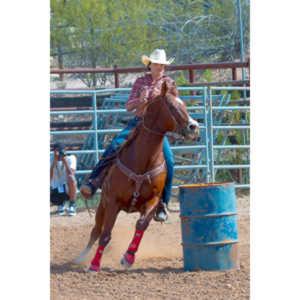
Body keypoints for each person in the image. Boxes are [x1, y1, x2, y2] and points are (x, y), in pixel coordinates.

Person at [80, 49, 178, 222]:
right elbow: (129, 107)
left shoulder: (169, 84)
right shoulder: (140, 82)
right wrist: (140, 101)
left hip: (156, 130)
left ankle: (163, 203)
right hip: (139, 123)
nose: (160, 67)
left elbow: (175, 105)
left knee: (169, 161)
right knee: (115, 145)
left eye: (162, 64)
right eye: (156, 63)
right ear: (150, 65)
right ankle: (93, 181)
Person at [50, 142, 77, 216]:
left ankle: (72, 205)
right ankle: (60, 204)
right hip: (55, 189)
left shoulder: (71, 158)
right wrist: (54, 162)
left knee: (72, 179)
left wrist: (65, 162)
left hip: (67, 187)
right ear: (53, 152)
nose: (59, 154)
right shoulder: (50, 159)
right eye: (57, 151)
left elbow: (71, 174)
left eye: (61, 151)